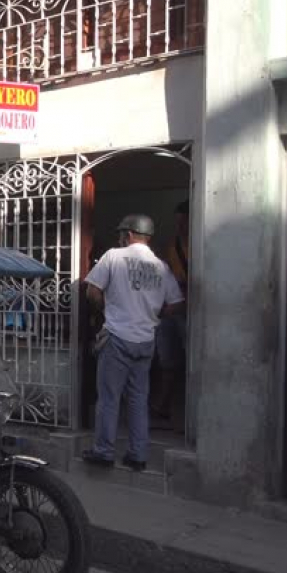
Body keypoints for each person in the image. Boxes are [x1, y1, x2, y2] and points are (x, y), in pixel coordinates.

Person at [82, 214, 185, 471]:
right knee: (139, 399)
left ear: (127, 235)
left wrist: (106, 310)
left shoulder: (113, 257)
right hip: (145, 340)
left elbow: (92, 290)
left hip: (117, 337)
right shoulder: (161, 266)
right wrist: (153, 316)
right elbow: (177, 302)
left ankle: (104, 451)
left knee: (109, 398)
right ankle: (137, 456)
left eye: (121, 234)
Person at [154, 201, 189, 432]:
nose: (180, 227)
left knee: (191, 359)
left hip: (191, 309)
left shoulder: (202, 244)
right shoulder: (173, 245)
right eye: (177, 223)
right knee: (167, 358)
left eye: (183, 222)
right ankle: (164, 404)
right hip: (172, 308)